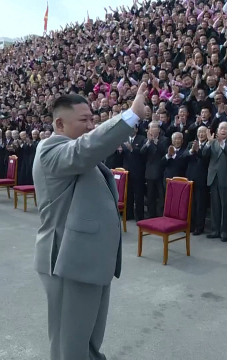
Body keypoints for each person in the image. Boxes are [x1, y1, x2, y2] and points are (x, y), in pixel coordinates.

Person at [33, 83, 147, 360]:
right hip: (68, 263)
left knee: (88, 338)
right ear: (59, 123)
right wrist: (129, 116)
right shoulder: (51, 151)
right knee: (69, 344)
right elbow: (87, 148)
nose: (90, 125)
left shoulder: (75, 153)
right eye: (84, 120)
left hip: (89, 261)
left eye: (92, 119)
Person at [203, 121, 227, 242]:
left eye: (225, 129)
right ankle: (215, 230)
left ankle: (225, 232)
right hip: (213, 177)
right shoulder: (212, 143)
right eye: (220, 128)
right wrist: (208, 143)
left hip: (226, 178)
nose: (222, 130)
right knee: (215, 205)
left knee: (226, 206)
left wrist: (222, 143)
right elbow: (204, 155)